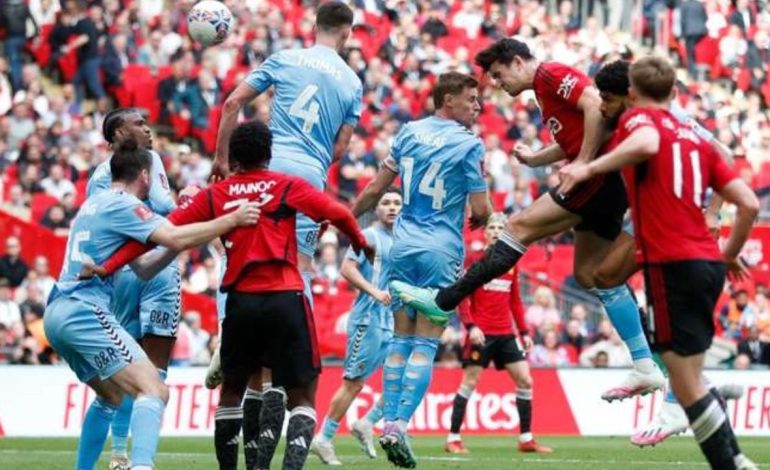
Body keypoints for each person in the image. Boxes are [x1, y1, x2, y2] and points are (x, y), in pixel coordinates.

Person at [394, 38, 665, 401]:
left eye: (499, 74)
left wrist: (583, 165)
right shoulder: (542, 91)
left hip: (598, 179)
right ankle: (645, 366)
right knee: (591, 275)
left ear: (518, 62)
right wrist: (538, 159)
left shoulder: (551, 74)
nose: (498, 83)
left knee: (517, 226)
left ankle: (443, 302)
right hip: (606, 183)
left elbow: (593, 107)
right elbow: (574, 135)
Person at [93, 121, 371, 470]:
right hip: (286, 296)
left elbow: (157, 234)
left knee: (231, 392)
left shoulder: (217, 194)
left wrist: (109, 264)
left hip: (241, 302)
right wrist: (360, 241)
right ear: (268, 155)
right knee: (301, 395)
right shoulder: (286, 185)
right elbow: (339, 213)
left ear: (233, 159)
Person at [558, 56, 759, 470]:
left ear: (631, 94)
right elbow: (750, 202)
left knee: (684, 379)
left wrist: (588, 167)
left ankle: (693, 412)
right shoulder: (690, 130)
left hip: (673, 252)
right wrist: (727, 245)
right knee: (685, 367)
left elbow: (647, 145)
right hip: (706, 256)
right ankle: (690, 395)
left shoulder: (639, 120)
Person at [43, 139, 259, 470]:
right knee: (154, 390)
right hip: (83, 309)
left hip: (58, 312)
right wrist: (231, 220)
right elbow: (173, 235)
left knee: (111, 396)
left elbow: (144, 268)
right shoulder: (123, 204)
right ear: (145, 175)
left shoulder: (94, 203)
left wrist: (177, 244)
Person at [208, 4, 362, 462]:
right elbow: (341, 145)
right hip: (307, 177)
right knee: (298, 268)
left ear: (313, 27)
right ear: (348, 33)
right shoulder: (352, 82)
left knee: (238, 249)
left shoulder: (286, 58)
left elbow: (234, 102)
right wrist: (314, 167)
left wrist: (222, 159)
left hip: (267, 165)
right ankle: (291, 356)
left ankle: (227, 333)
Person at [352, 71, 492, 468]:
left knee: (400, 338)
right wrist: (482, 216)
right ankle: (397, 423)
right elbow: (481, 210)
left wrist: (346, 219)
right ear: (448, 100)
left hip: (402, 247)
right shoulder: (468, 145)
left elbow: (377, 189)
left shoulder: (408, 133)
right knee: (426, 342)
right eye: (470, 99)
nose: (477, 106)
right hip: (440, 250)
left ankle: (389, 424)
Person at [85, 108, 179, 470]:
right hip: (124, 270)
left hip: (162, 270)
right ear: (118, 132)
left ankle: (137, 455)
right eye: (138, 123)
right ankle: (121, 453)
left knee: (157, 365)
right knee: (129, 361)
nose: (148, 128)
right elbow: (161, 212)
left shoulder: (153, 159)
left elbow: (166, 207)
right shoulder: (100, 178)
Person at [445, 213, 551, 455]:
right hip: (481, 334)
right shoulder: (475, 261)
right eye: (491, 227)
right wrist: (470, 327)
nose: (494, 231)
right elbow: (462, 297)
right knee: (469, 383)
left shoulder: (511, 263)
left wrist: (523, 332)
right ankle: (453, 438)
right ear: (485, 233)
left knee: (525, 380)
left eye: (499, 228)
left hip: (505, 334)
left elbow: (515, 302)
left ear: (505, 232)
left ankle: (526, 439)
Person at [311, 188, 402, 465]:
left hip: (391, 319)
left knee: (402, 376)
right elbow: (347, 269)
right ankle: (323, 438)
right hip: (368, 317)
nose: (392, 208)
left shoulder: (400, 240)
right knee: (354, 383)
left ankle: (368, 422)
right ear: (376, 208)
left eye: (397, 203)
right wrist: (374, 291)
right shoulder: (369, 237)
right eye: (386, 203)